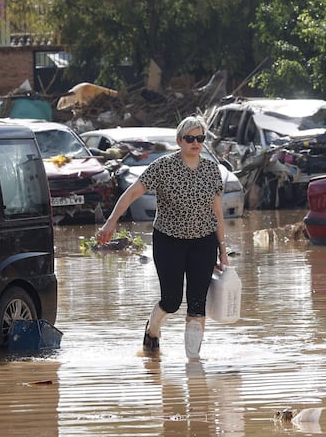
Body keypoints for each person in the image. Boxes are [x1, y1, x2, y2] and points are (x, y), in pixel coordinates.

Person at [97, 116, 229, 359]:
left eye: (200, 138)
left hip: (204, 242)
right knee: (171, 300)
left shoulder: (211, 170)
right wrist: (110, 222)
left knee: (197, 302)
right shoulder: (162, 167)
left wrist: (222, 248)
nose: (195, 143)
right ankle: (152, 330)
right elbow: (131, 193)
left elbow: (217, 212)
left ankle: (193, 363)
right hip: (169, 240)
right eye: (190, 138)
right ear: (180, 141)